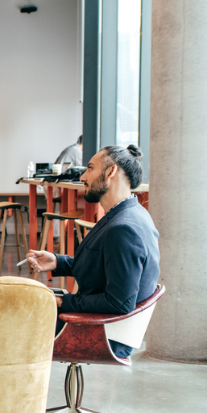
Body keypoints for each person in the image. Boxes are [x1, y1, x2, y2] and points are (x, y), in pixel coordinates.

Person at [27, 145, 159, 358]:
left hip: (100, 333)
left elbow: (119, 303)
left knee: (8, 320)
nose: (82, 176)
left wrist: (63, 301)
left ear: (111, 172)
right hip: (96, 322)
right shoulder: (129, 213)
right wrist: (59, 262)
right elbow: (105, 264)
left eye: (89, 168)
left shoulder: (123, 228)